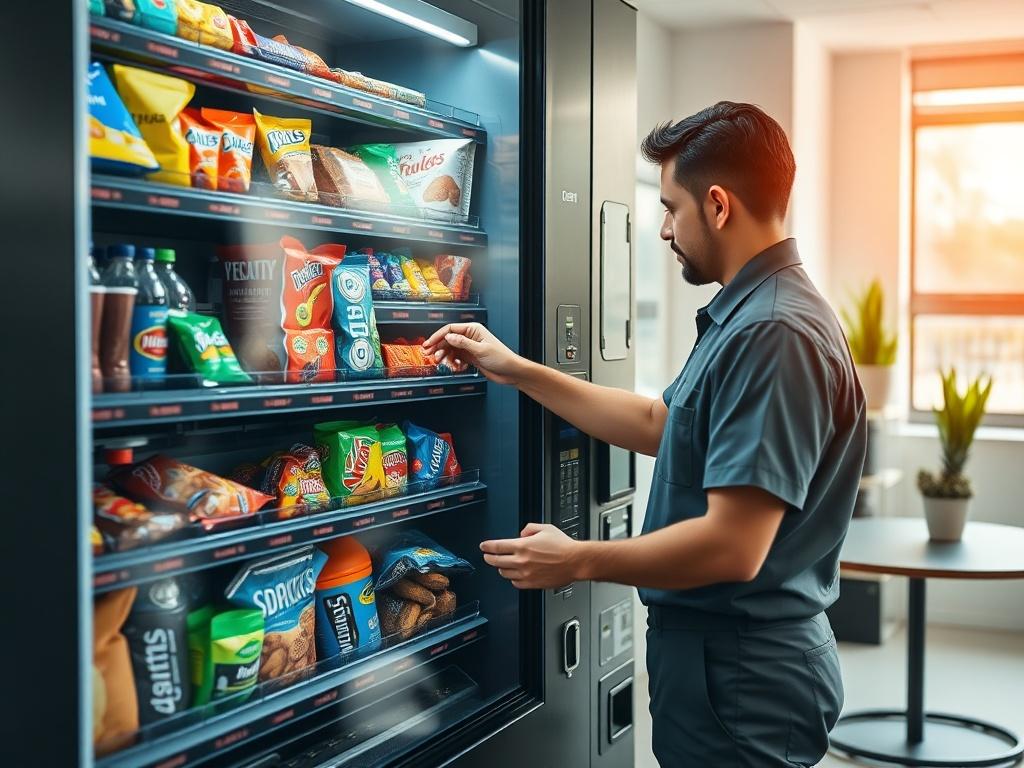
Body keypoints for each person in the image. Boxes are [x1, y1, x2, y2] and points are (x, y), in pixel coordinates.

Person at [423, 101, 866, 767]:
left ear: (717, 205)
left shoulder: (773, 332)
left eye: (670, 208)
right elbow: (661, 424)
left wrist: (579, 559)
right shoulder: (753, 315)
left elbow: (733, 546)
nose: (662, 230)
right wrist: (515, 369)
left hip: (742, 673)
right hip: (726, 664)